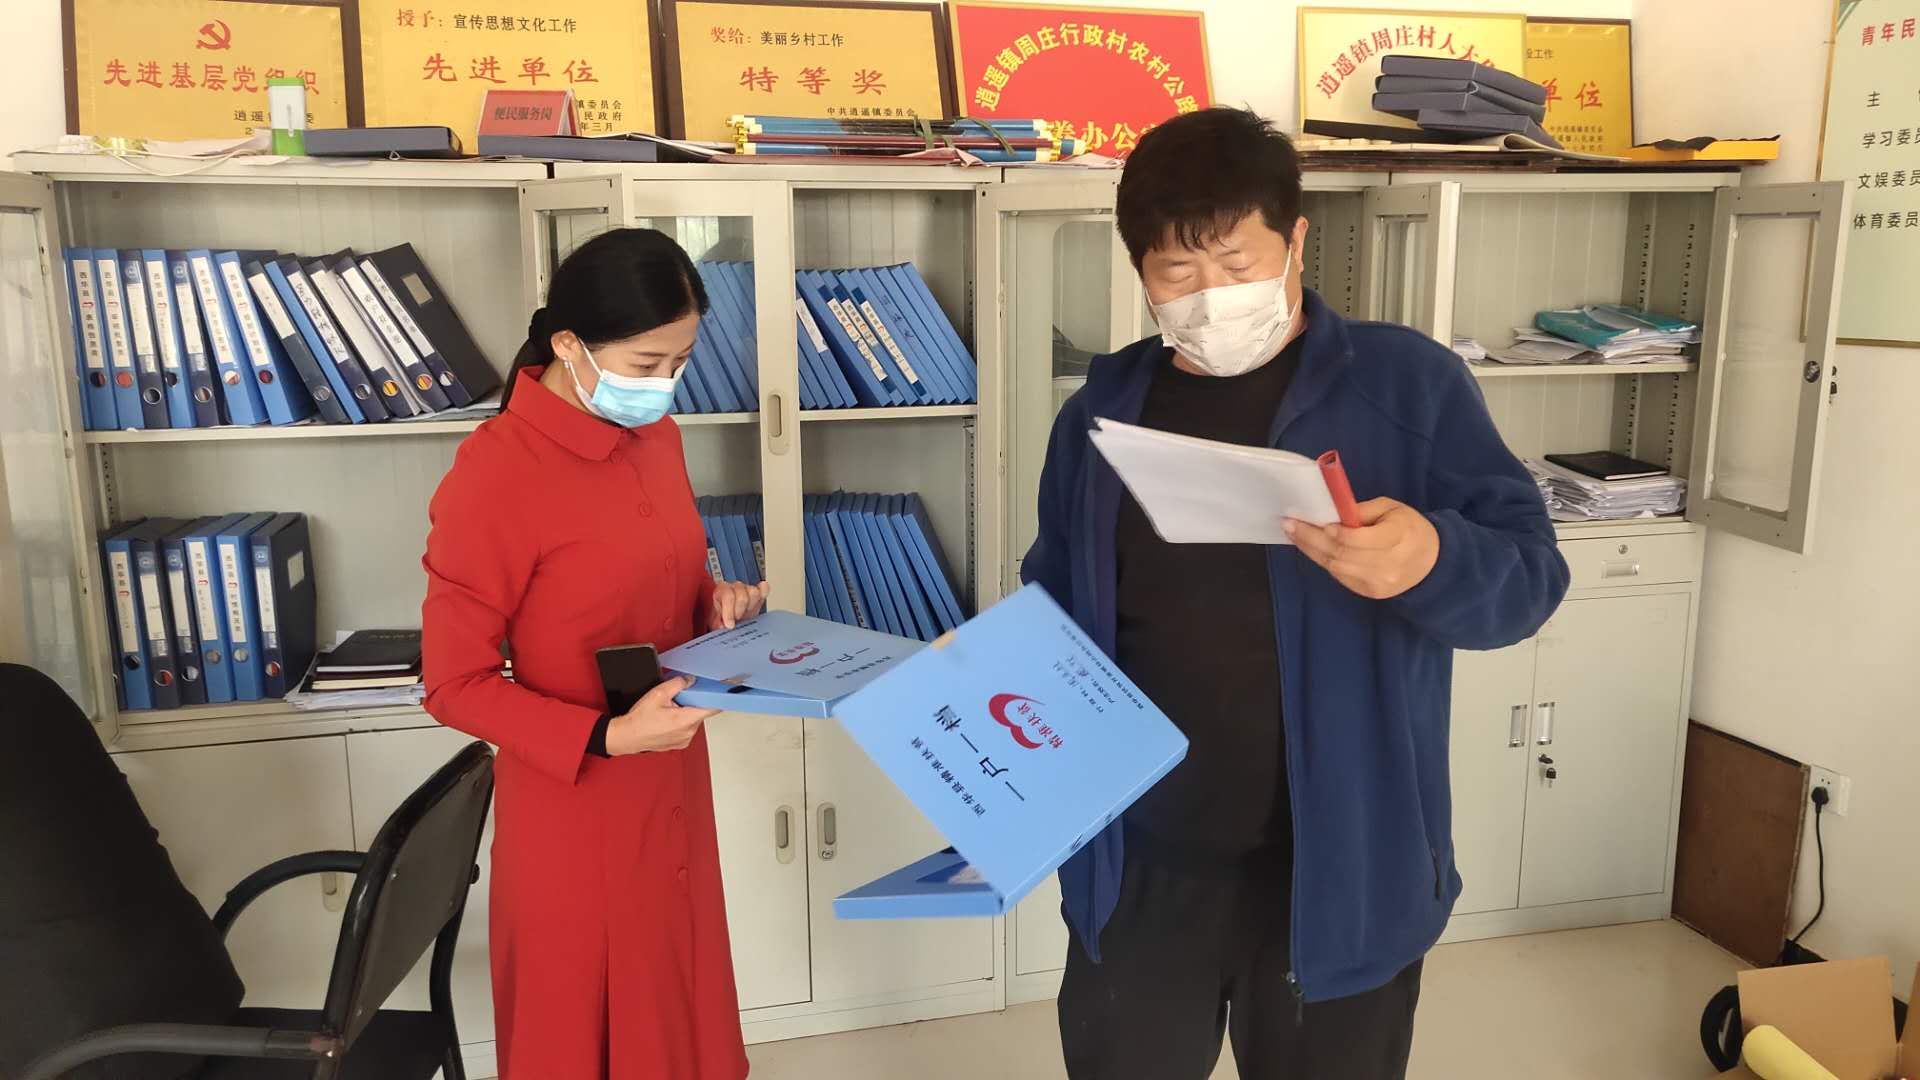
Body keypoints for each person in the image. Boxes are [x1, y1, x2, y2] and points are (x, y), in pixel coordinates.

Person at [1024, 108, 1570, 1079]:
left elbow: (1530, 579)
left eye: (1236, 263)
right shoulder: (1103, 413)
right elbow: (1056, 604)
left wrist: (1433, 559)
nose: (1210, 297)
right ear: (1139, 270)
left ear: (1297, 240)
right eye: (1176, 273)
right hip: (1139, 870)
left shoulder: (1407, 386)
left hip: (1341, 875)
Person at [422, 228, 766, 1080]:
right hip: (575, 802)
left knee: (675, 1001)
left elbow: (664, 573)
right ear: (570, 344)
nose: (664, 384)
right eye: (647, 363)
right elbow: (453, 683)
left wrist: (717, 600)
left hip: (671, 772)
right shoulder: (495, 473)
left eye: (680, 362)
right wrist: (608, 738)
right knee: (583, 1026)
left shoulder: (658, 437)